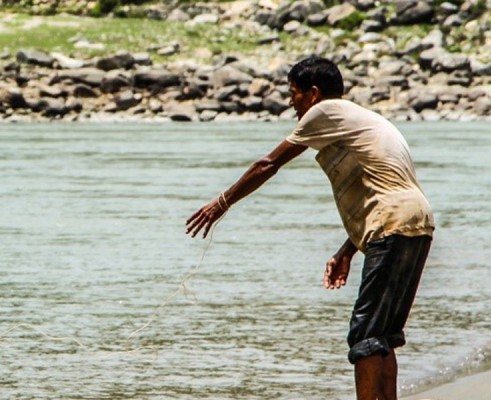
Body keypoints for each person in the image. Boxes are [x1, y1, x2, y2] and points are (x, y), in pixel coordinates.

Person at [185, 56, 435, 400]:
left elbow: (268, 164)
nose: (291, 102)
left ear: (313, 93)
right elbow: (385, 188)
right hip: (416, 222)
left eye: (294, 94)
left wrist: (221, 203)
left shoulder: (325, 111)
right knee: (384, 335)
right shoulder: (362, 118)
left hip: (391, 224)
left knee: (364, 338)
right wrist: (346, 251)